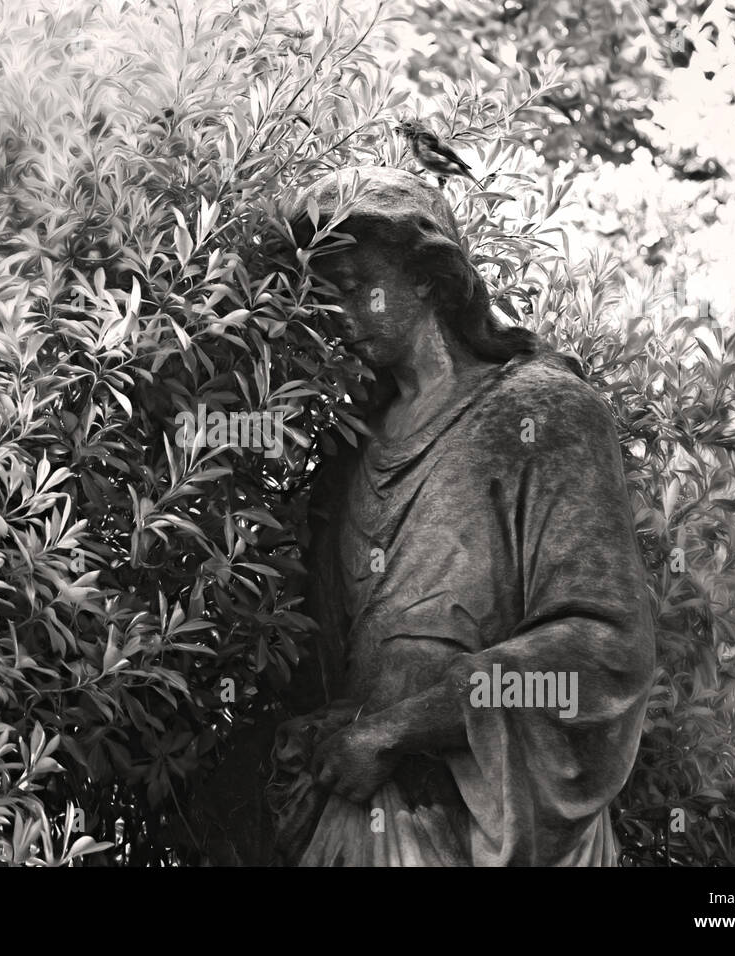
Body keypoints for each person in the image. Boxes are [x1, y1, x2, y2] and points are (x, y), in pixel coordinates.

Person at [268, 166, 655, 866]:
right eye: (323, 299)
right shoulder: (345, 458)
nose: (341, 317)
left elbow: (604, 649)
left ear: (427, 276)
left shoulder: (540, 412)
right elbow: (320, 668)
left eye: (356, 286)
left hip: (482, 827)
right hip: (355, 829)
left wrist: (402, 729)